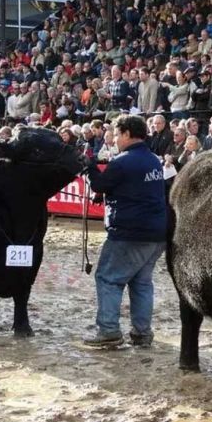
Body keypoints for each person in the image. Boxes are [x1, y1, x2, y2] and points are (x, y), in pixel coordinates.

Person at [84, 114, 167, 348]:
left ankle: (109, 331)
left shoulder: (123, 161)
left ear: (128, 134)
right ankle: (142, 334)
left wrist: (90, 167)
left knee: (108, 278)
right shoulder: (152, 159)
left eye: (118, 134)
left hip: (130, 232)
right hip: (157, 231)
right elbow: (130, 187)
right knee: (141, 283)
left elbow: (99, 184)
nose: (116, 139)